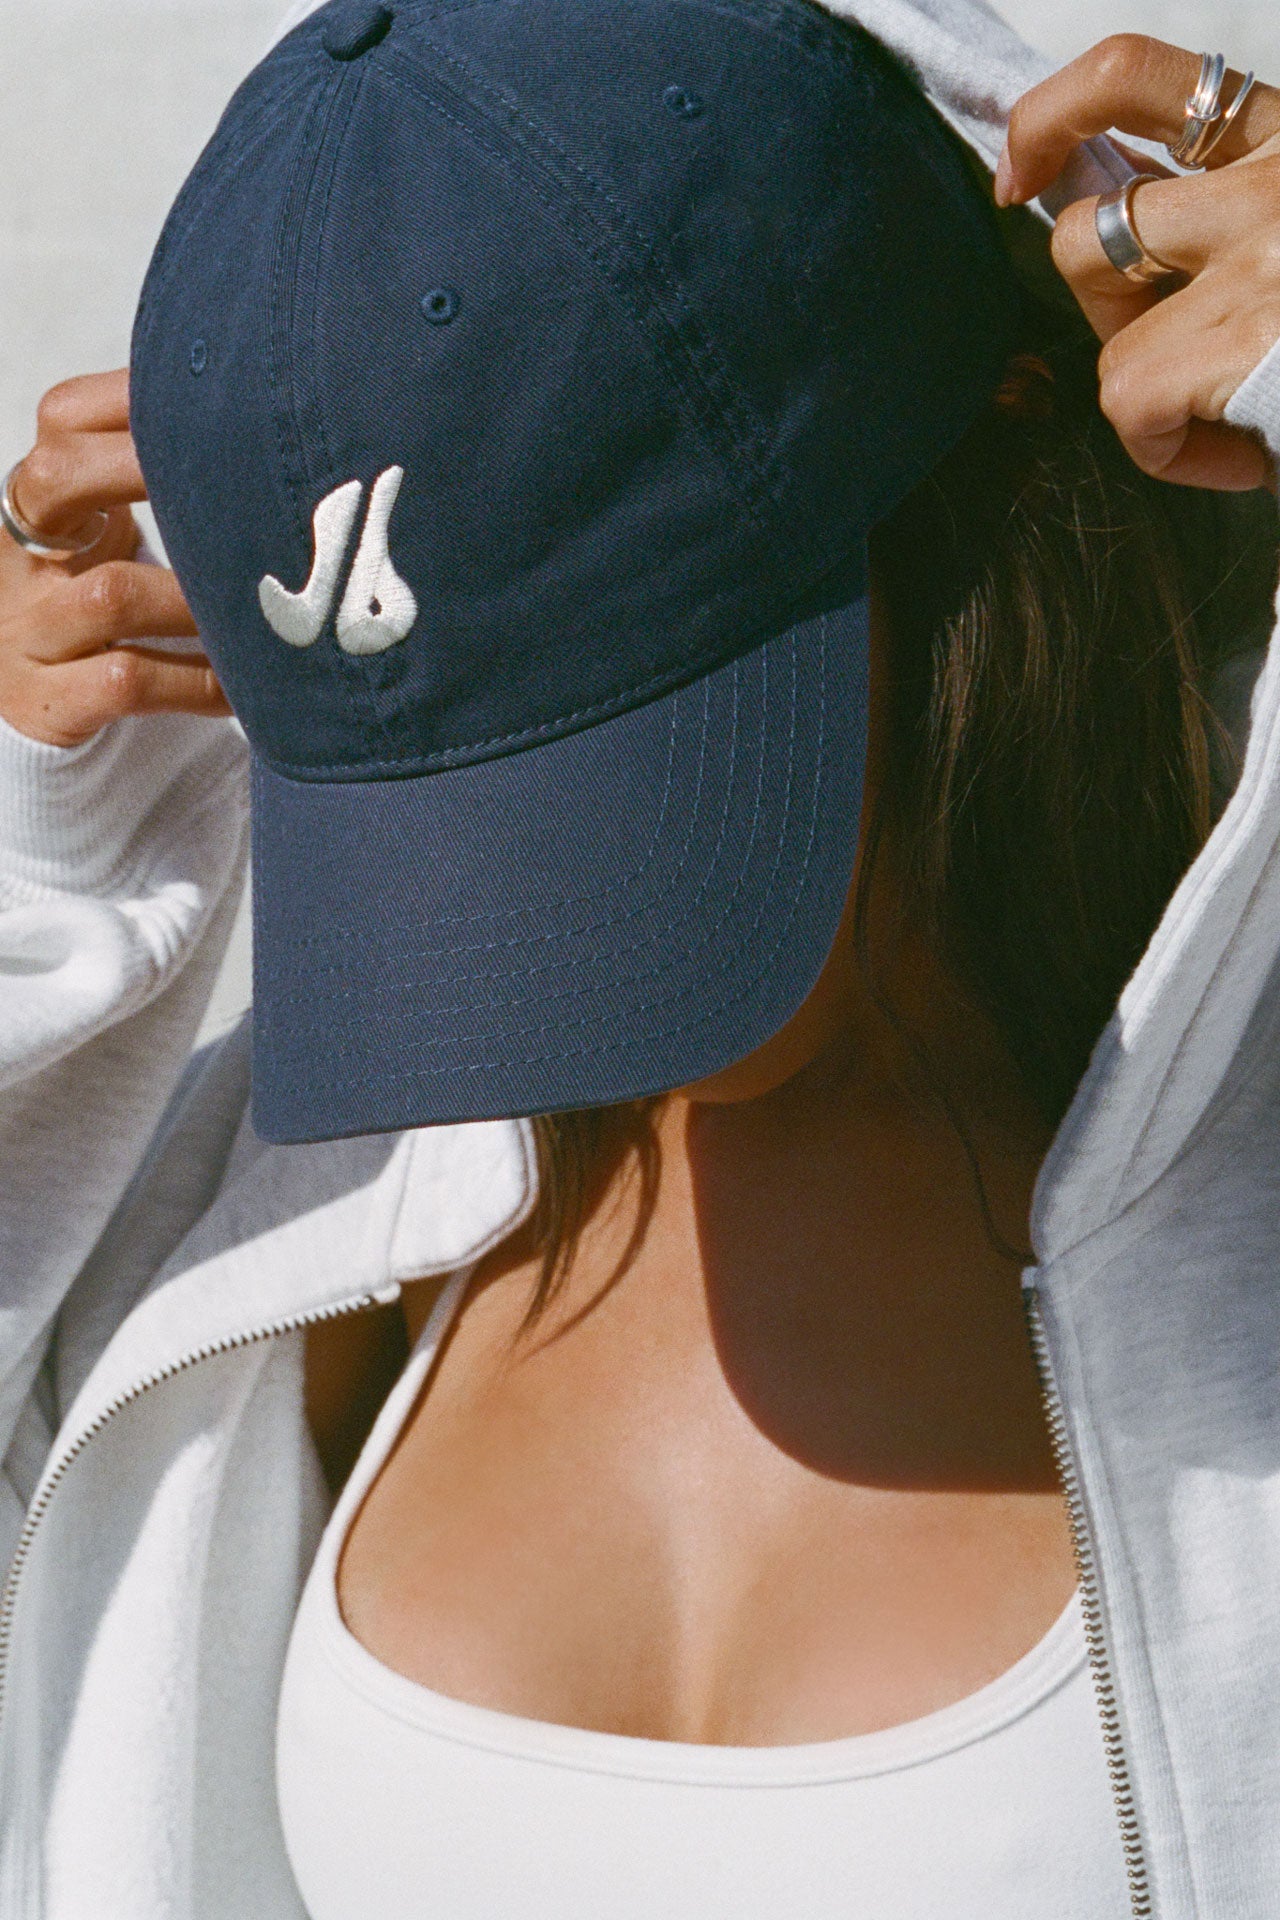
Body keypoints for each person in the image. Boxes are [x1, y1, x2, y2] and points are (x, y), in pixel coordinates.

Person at [0, 0, 1278, 1915]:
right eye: (457, 786)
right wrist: (46, 879)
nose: (529, 972)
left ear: (986, 442)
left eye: (629, 744)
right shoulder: (276, 1245)